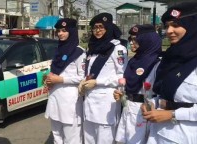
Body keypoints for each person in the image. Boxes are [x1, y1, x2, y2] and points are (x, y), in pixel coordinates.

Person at [142, 2, 197, 144]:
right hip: (158, 133)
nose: (169, 31)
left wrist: (172, 115)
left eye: (176, 25)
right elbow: (165, 95)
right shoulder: (169, 59)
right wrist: (153, 103)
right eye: (167, 26)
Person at [78, 12, 128, 144]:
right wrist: (84, 81)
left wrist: (97, 82)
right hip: (89, 103)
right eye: (95, 28)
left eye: (101, 27)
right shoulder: (93, 48)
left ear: (108, 28)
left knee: (104, 139)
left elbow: (122, 77)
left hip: (106, 104)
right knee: (88, 140)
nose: (97, 30)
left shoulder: (118, 49)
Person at [113, 24, 162, 144]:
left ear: (147, 40)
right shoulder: (133, 61)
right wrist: (122, 95)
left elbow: (161, 93)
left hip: (145, 110)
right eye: (130, 39)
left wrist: (151, 104)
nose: (131, 43)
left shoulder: (157, 63)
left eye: (135, 40)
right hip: (128, 108)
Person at [44, 18, 85, 144]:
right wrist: (49, 78)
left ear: (72, 31)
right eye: (58, 31)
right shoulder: (58, 49)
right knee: (57, 136)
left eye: (64, 31)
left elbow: (82, 77)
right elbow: (55, 70)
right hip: (55, 97)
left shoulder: (79, 52)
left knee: (71, 138)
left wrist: (61, 79)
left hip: (70, 101)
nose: (60, 33)